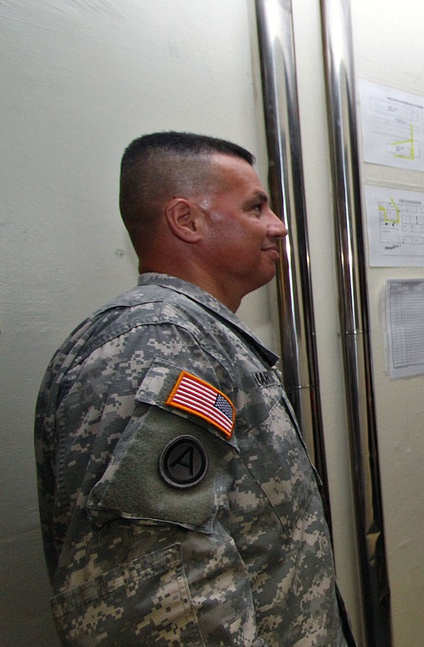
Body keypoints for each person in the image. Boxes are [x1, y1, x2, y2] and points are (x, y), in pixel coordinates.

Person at [35, 131, 353, 646]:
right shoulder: (161, 345)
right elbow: (162, 606)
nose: (279, 226)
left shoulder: (201, 338)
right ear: (186, 221)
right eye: (257, 207)